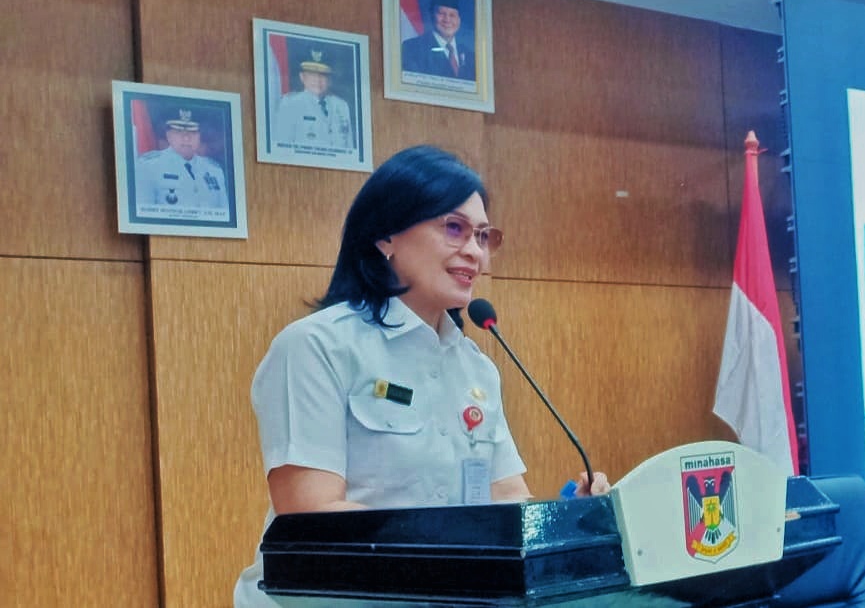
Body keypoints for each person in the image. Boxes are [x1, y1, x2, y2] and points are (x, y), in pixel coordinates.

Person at [233, 145, 609, 607]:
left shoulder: (477, 367)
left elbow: (506, 501)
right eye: (454, 228)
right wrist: (451, 555)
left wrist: (565, 521)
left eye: (483, 236)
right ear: (385, 236)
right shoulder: (317, 346)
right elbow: (311, 516)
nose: (474, 252)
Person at [134, 109, 227, 209]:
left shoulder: (214, 170)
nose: (186, 138)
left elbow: (224, 213)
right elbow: (143, 211)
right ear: (168, 135)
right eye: (179, 132)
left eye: (193, 132)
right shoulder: (148, 167)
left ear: (200, 136)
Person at [272, 50, 353, 150]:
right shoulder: (290, 104)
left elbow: (349, 149)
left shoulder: (341, 106)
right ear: (302, 77)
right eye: (312, 74)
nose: (317, 80)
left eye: (322, 75)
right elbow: (281, 147)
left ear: (330, 80)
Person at [400, 0, 476, 80]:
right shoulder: (412, 48)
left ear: (459, 20)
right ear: (431, 15)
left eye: (452, 15)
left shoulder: (471, 56)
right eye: (441, 13)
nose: (447, 20)